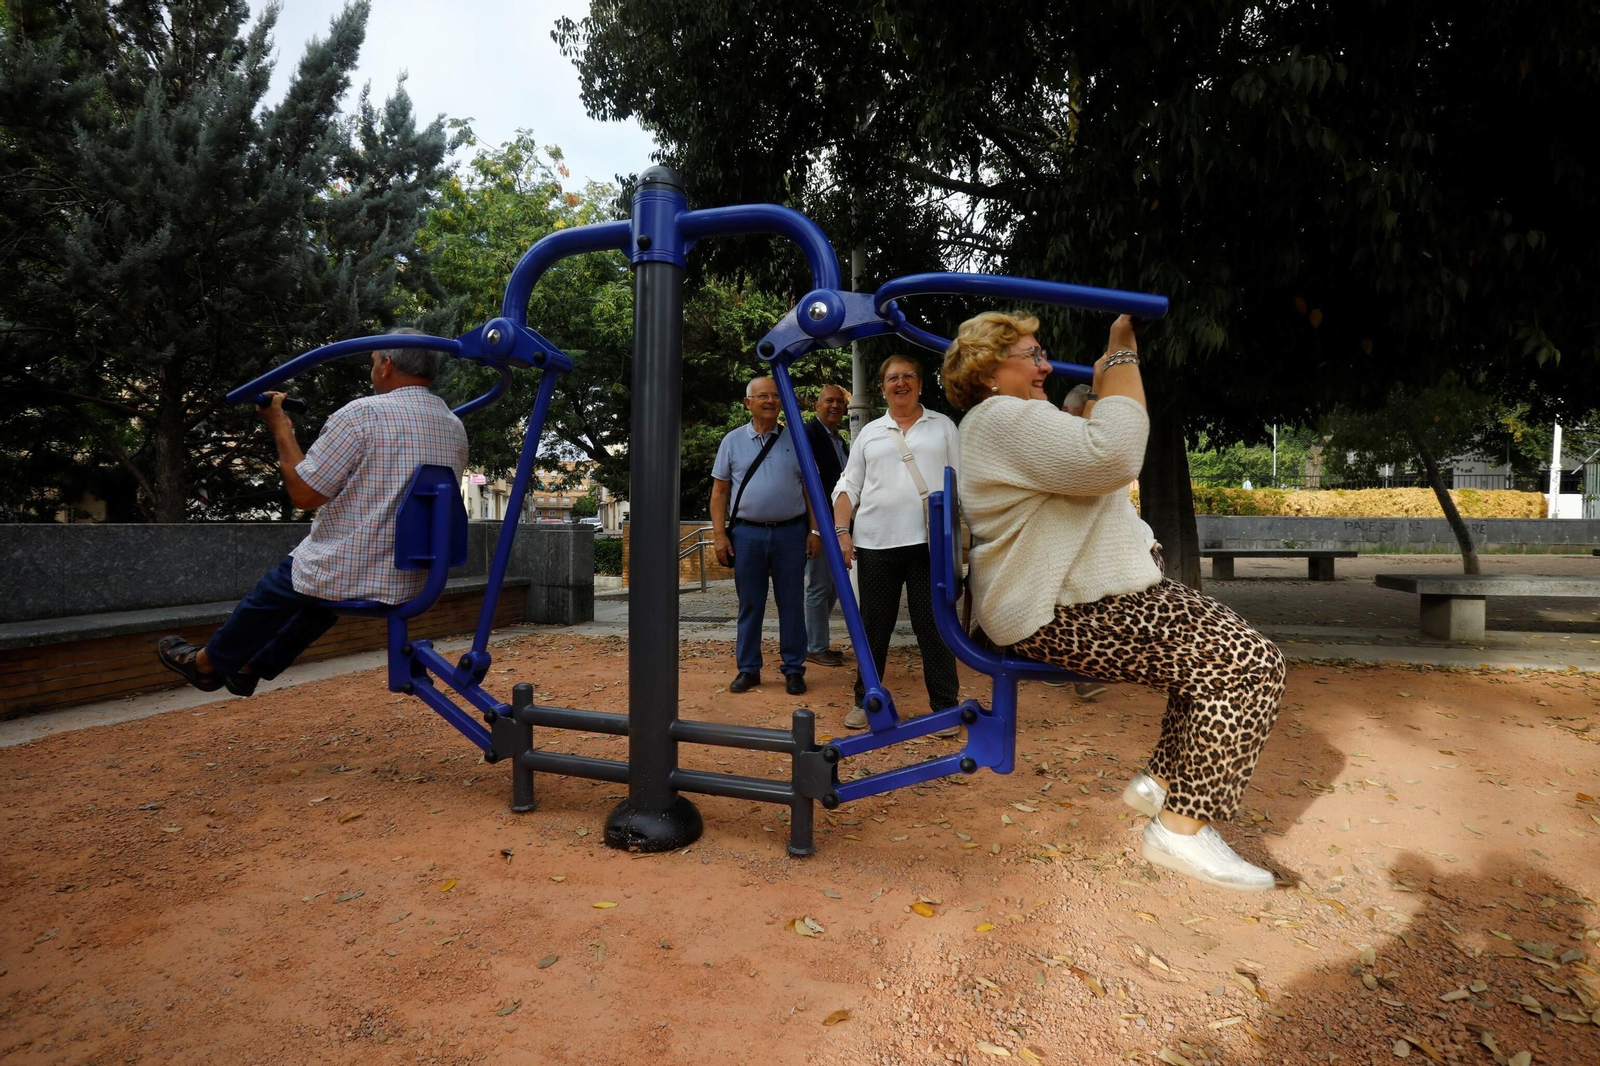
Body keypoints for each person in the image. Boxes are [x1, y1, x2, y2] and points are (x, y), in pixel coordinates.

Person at [942, 312, 1286, 892]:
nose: (1046, 365)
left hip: (1086, 596)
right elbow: (1115, 454)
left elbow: (1095, 470)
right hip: (1060, 607)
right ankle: (1179, 830)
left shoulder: (1013, 419)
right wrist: (1121, 359)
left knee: (1217, 657)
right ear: (988, 367)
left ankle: (1162, 783)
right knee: (1248, 665)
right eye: (1033, 354)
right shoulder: (1000, 418)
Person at [156, 332, 470, 696]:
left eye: (372, 363)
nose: (372, 372)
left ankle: (207, 664)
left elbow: (305, 495)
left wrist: (281, 428)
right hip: (414, 577)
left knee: (287, 580)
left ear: (386, 365)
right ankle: (248, 666)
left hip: (356, 567)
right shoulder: (452, 425)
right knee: (316, 599)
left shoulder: (363, 413)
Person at [832, 355, 961, 734]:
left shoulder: (943, 427)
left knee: (934, 627)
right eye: (892, 378)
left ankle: (945, 707)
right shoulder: (870, 432)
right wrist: (842, 530)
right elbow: (848, 485)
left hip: (929, 544)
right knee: (873, 627)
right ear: (883, 387)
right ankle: (866, 701)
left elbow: (961, 485)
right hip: (875, 543)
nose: (900, 383)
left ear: (920, 383)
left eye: (907, 376)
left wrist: (964, 540)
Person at [710, 376, 821, 697]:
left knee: (791, 604)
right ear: (748, 403)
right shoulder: (731, 441)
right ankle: (748, 669)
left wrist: (814, 531)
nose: (770, 401)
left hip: (791, 533)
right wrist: (719, 535)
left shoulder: (796, 440)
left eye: (775, 396)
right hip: (747, 535)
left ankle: (794, 669)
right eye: (762, 396)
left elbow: (810, 491)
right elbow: (719, 492)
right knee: (750, 604)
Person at [803, 384, 850, 667]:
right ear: (817, 405)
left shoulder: (839, 440)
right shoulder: (809, 435)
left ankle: (817, 641)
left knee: (833, 586)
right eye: (829, 401)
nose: (835, 406)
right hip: (819, 522)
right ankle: (814, 645)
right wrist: (815, 528)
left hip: (838, 522)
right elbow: (809, 483)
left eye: (839, 402)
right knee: (820, 585)